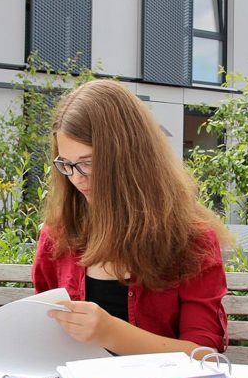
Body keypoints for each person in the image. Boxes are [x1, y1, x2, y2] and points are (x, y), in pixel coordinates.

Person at [32, 79, 232, 356]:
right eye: (67, 164)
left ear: (128, 157)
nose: (77, 177)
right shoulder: (58, 234)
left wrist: (111, 333)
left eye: (88, 163)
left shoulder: (191, 239)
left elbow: (205, 355)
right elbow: (47, 333)